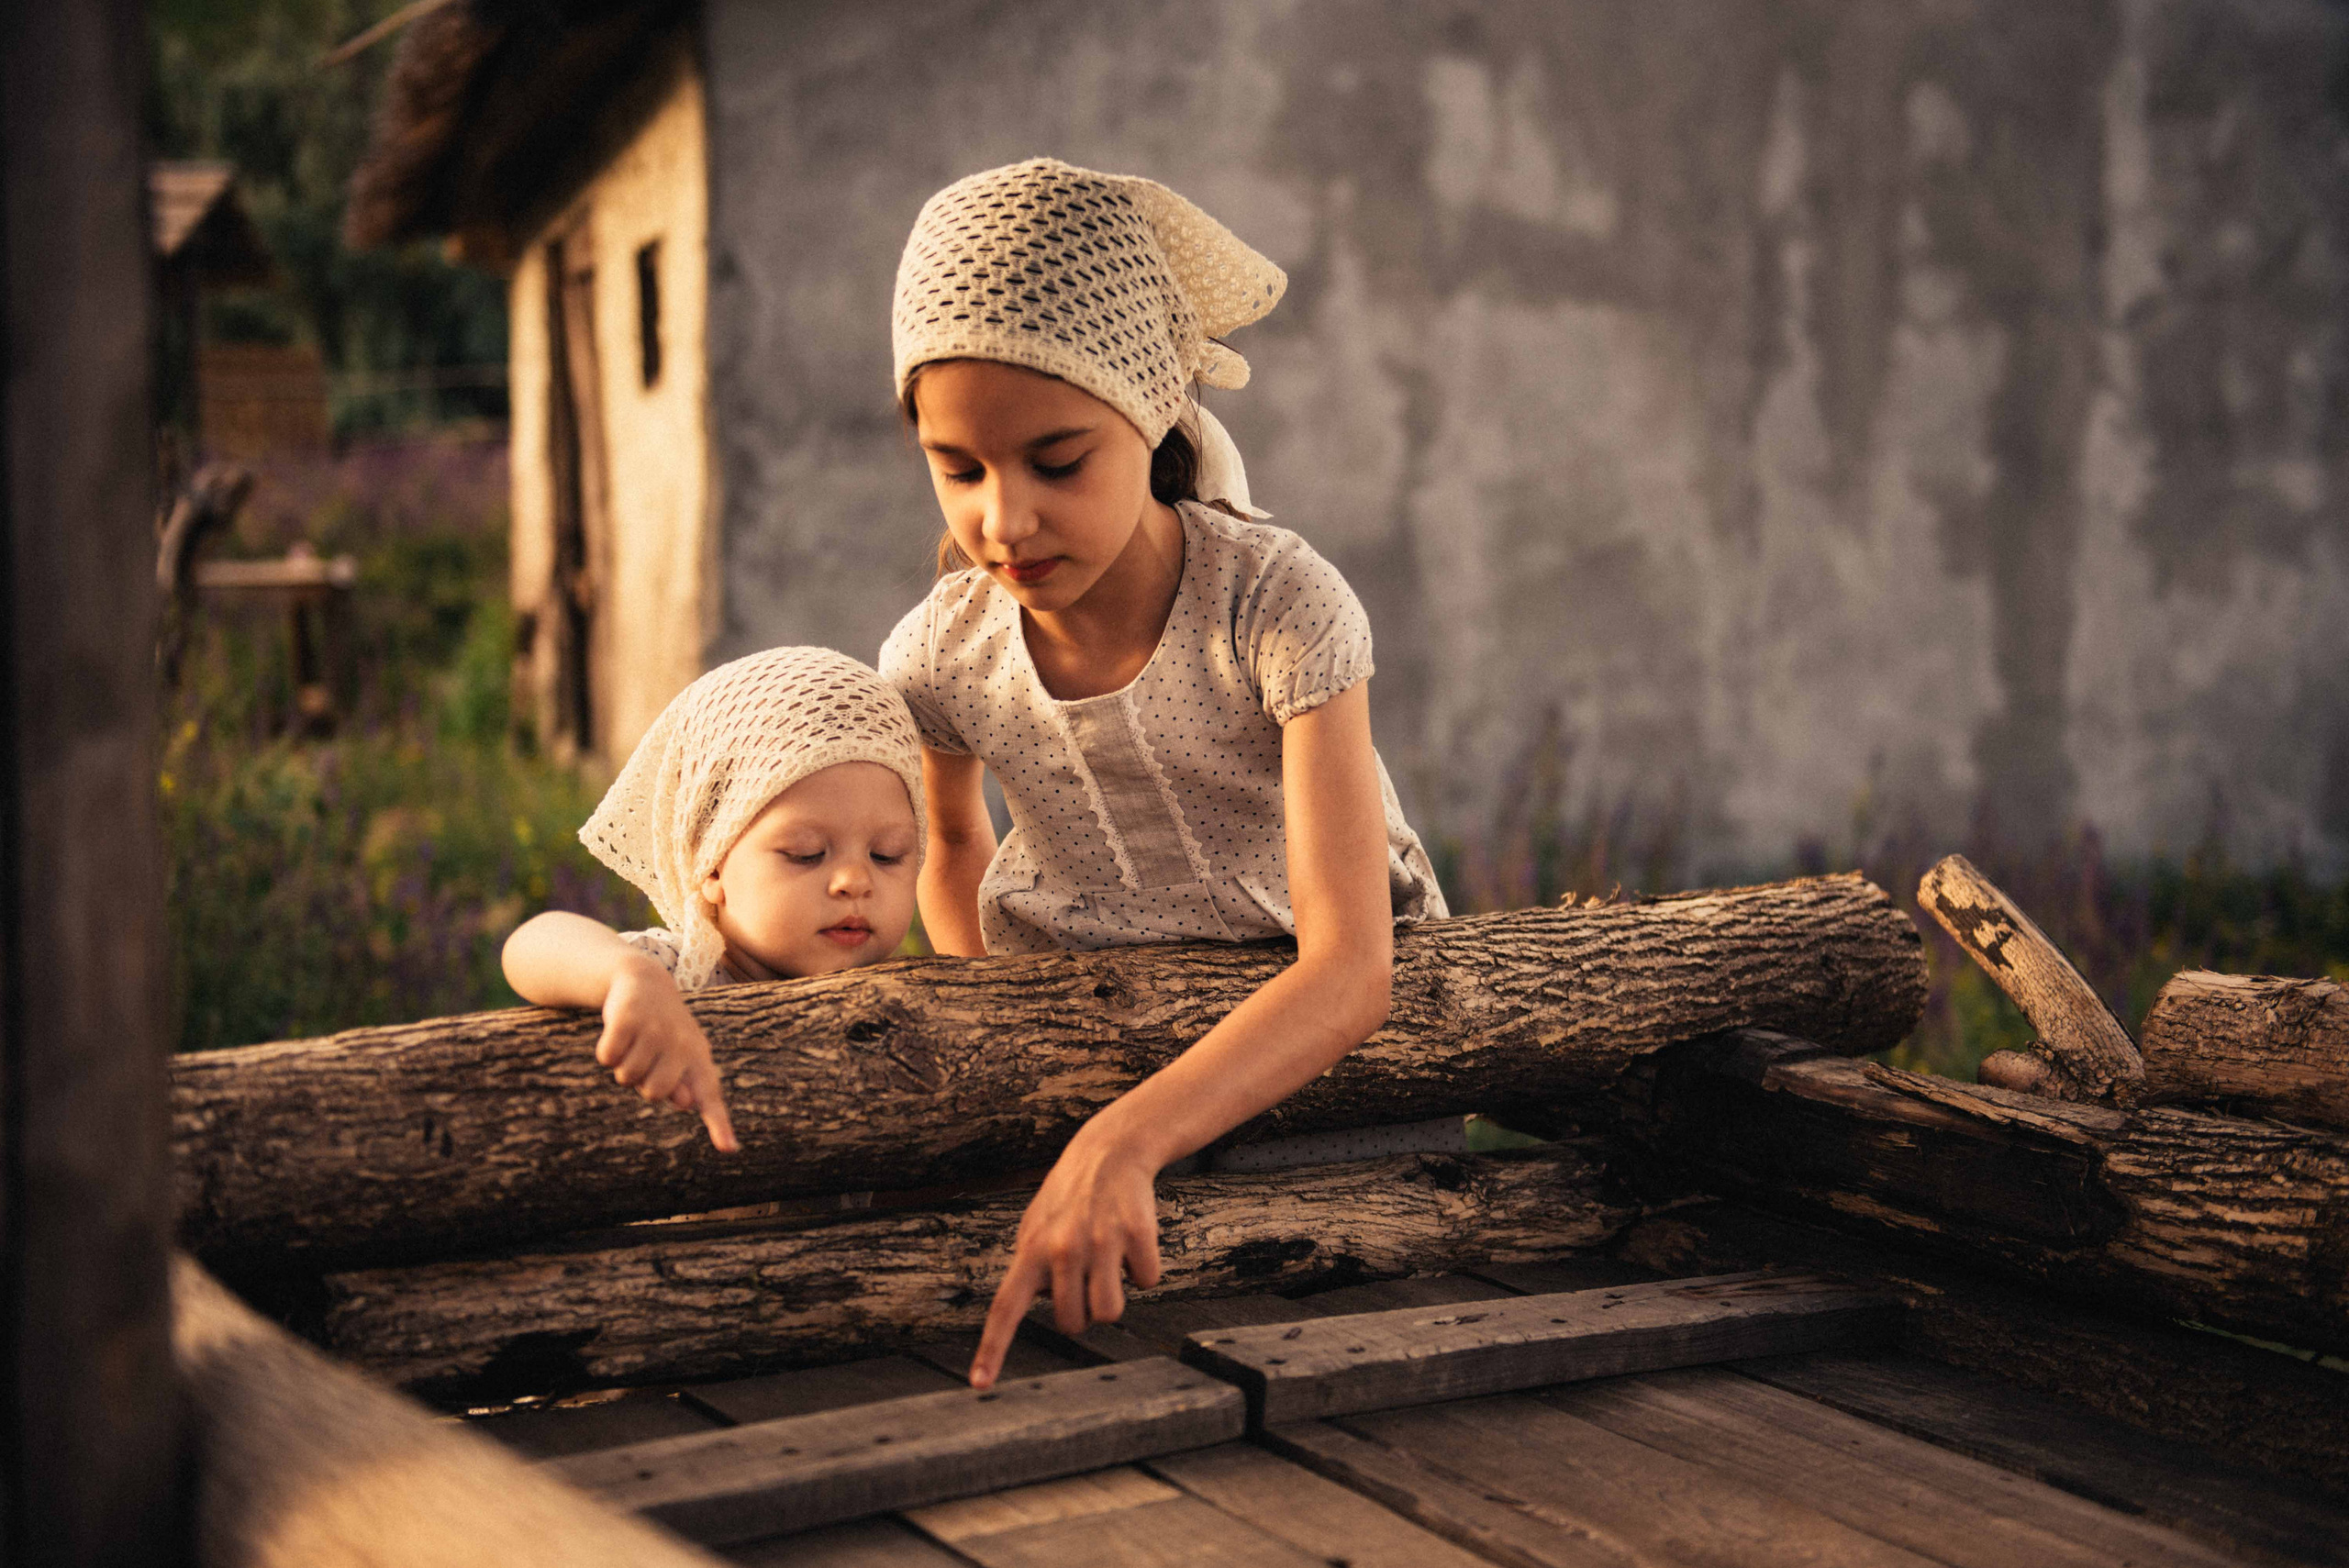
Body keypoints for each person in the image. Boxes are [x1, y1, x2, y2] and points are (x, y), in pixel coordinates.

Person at [878, 158, 1447, 1388]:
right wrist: (1013, 1063)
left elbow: (1350, 966)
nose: (1005, 521)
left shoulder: (1278, 607)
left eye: (1057, 459)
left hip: (1316, 1072)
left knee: (1314, 1351)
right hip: (1085, 1039)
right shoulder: (942, 653)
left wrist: (1124, 1138)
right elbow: (953, 849)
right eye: (960, 468)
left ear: (1150, 409)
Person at [502, 646, 926, 1153]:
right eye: (806, 854)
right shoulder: (683, 977)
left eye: (887, 855)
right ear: (713, 865)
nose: (854, 881)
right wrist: (627, 977)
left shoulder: (903, 991)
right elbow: (528, 944)